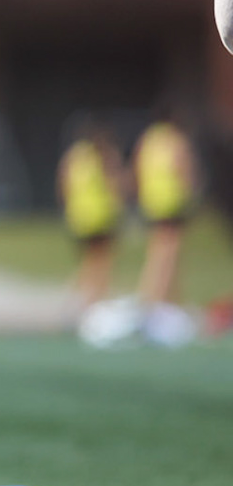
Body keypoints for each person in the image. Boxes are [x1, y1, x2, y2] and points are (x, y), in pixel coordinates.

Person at [130, 111, 197, 346]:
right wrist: (191, 193)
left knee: (160, 253)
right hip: (171, 202)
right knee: (168, 255)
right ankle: (153, 304)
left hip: (152, 202)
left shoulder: (148, 140)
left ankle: (167, 303)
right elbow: (184, 170)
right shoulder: (175, 140)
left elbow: (136, 169)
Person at [58, 120, 126, 310]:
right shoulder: (103, 155)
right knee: (102, 262)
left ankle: (78, 301)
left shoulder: (73, 157)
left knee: (88, 261)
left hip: (79, 217)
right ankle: (97, 303)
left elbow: (63, 184)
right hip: (101, 216)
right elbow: (114, 185)